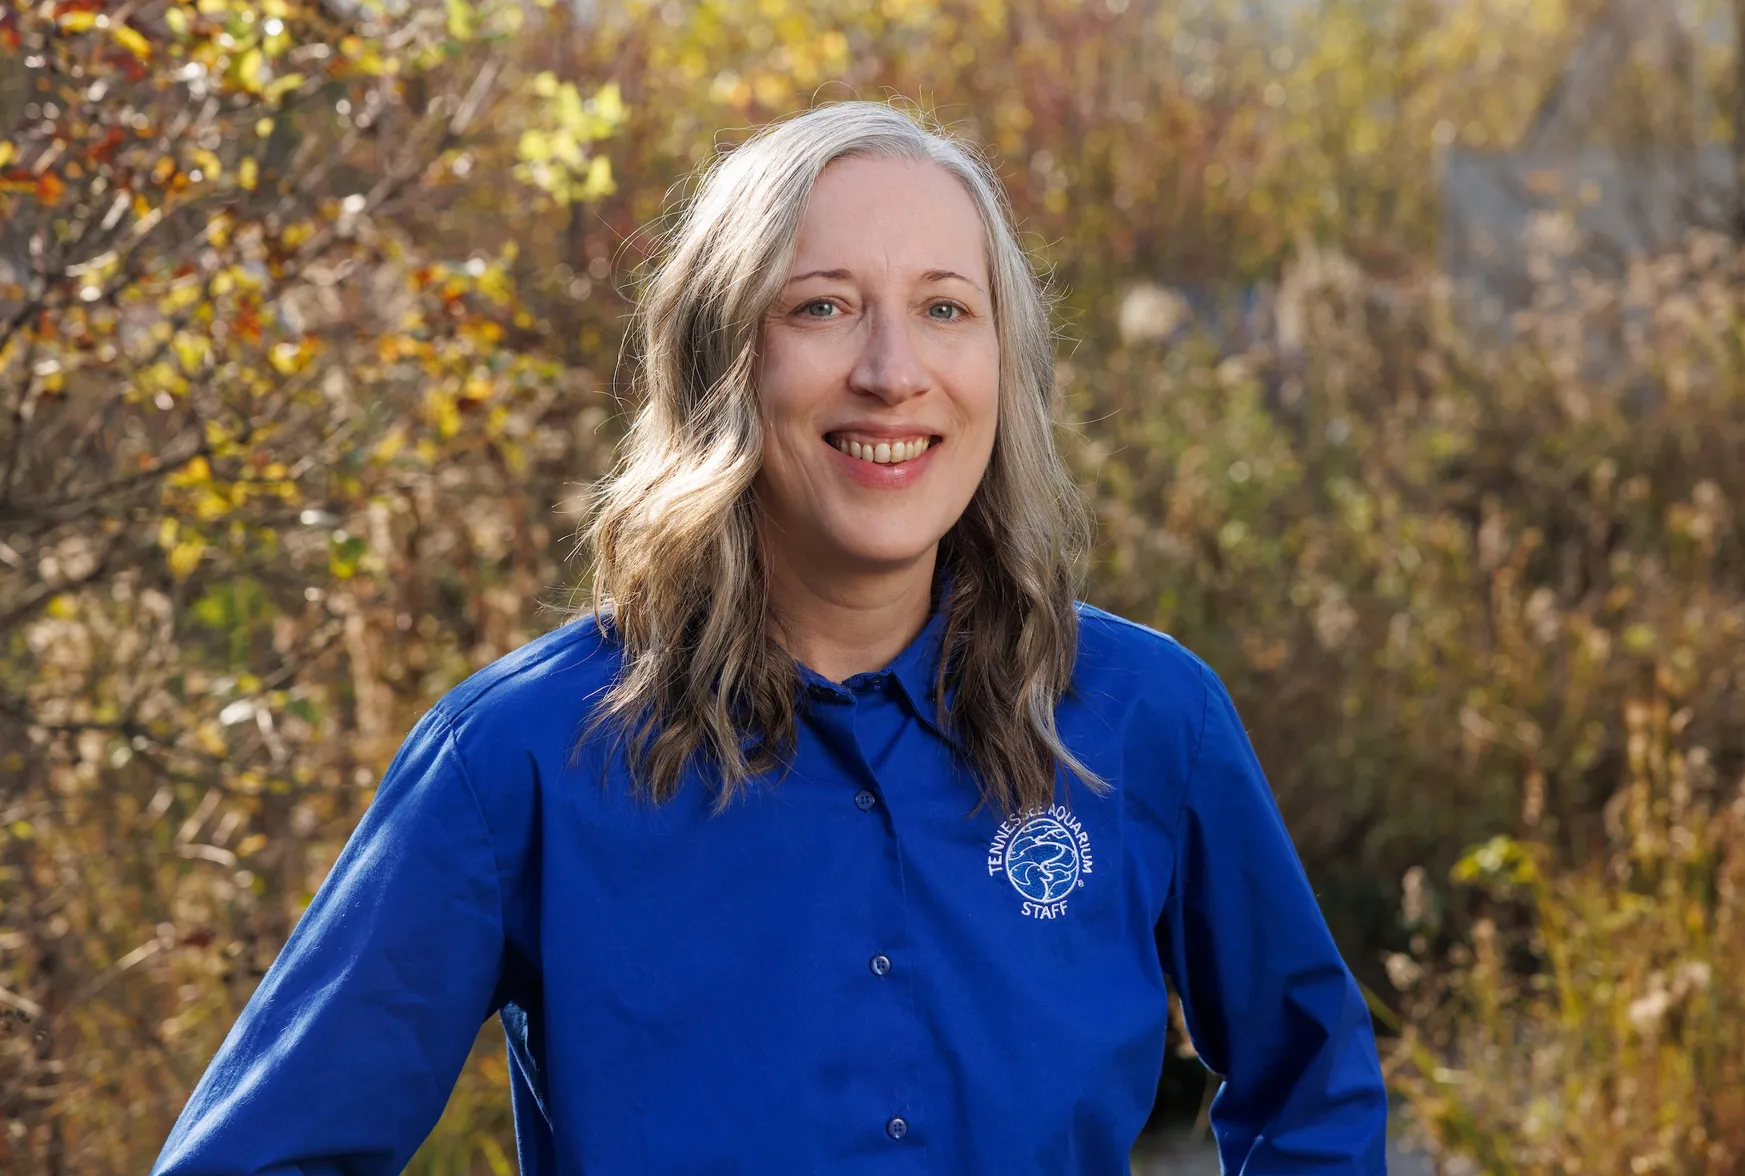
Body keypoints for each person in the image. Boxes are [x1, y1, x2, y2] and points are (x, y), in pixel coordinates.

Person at [150, 100, 1389, 1174]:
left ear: (1001, 365)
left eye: (945, 307)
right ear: (718, 358)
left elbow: (1311, 1081)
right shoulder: (516, 760)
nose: (893, 371)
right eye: (823, 307)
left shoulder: (1143, 717)